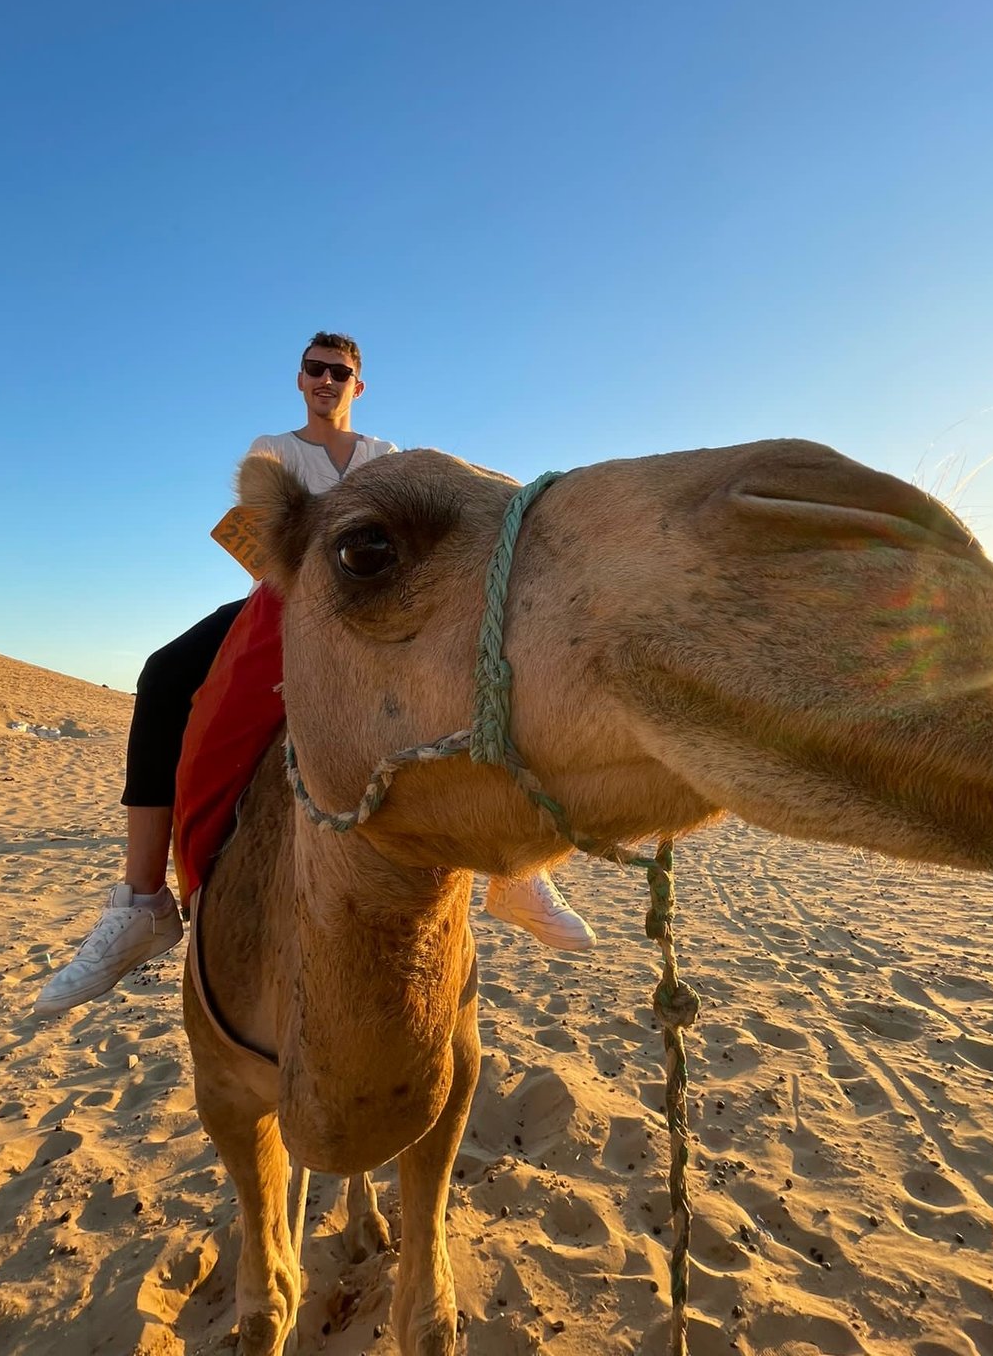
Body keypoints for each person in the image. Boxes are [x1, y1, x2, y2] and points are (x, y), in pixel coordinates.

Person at [34, 332, 594, 1018]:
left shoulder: (386, 456)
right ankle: (141, 901)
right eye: (315, 369)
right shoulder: (273, 453)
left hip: (380, 607)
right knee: (163, 676)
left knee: (481, 664)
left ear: (359, 385)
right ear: (299, 379)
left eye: (340, 371)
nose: (327, 380)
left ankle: (519, 872)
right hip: (283, 602)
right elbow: (264, 549)